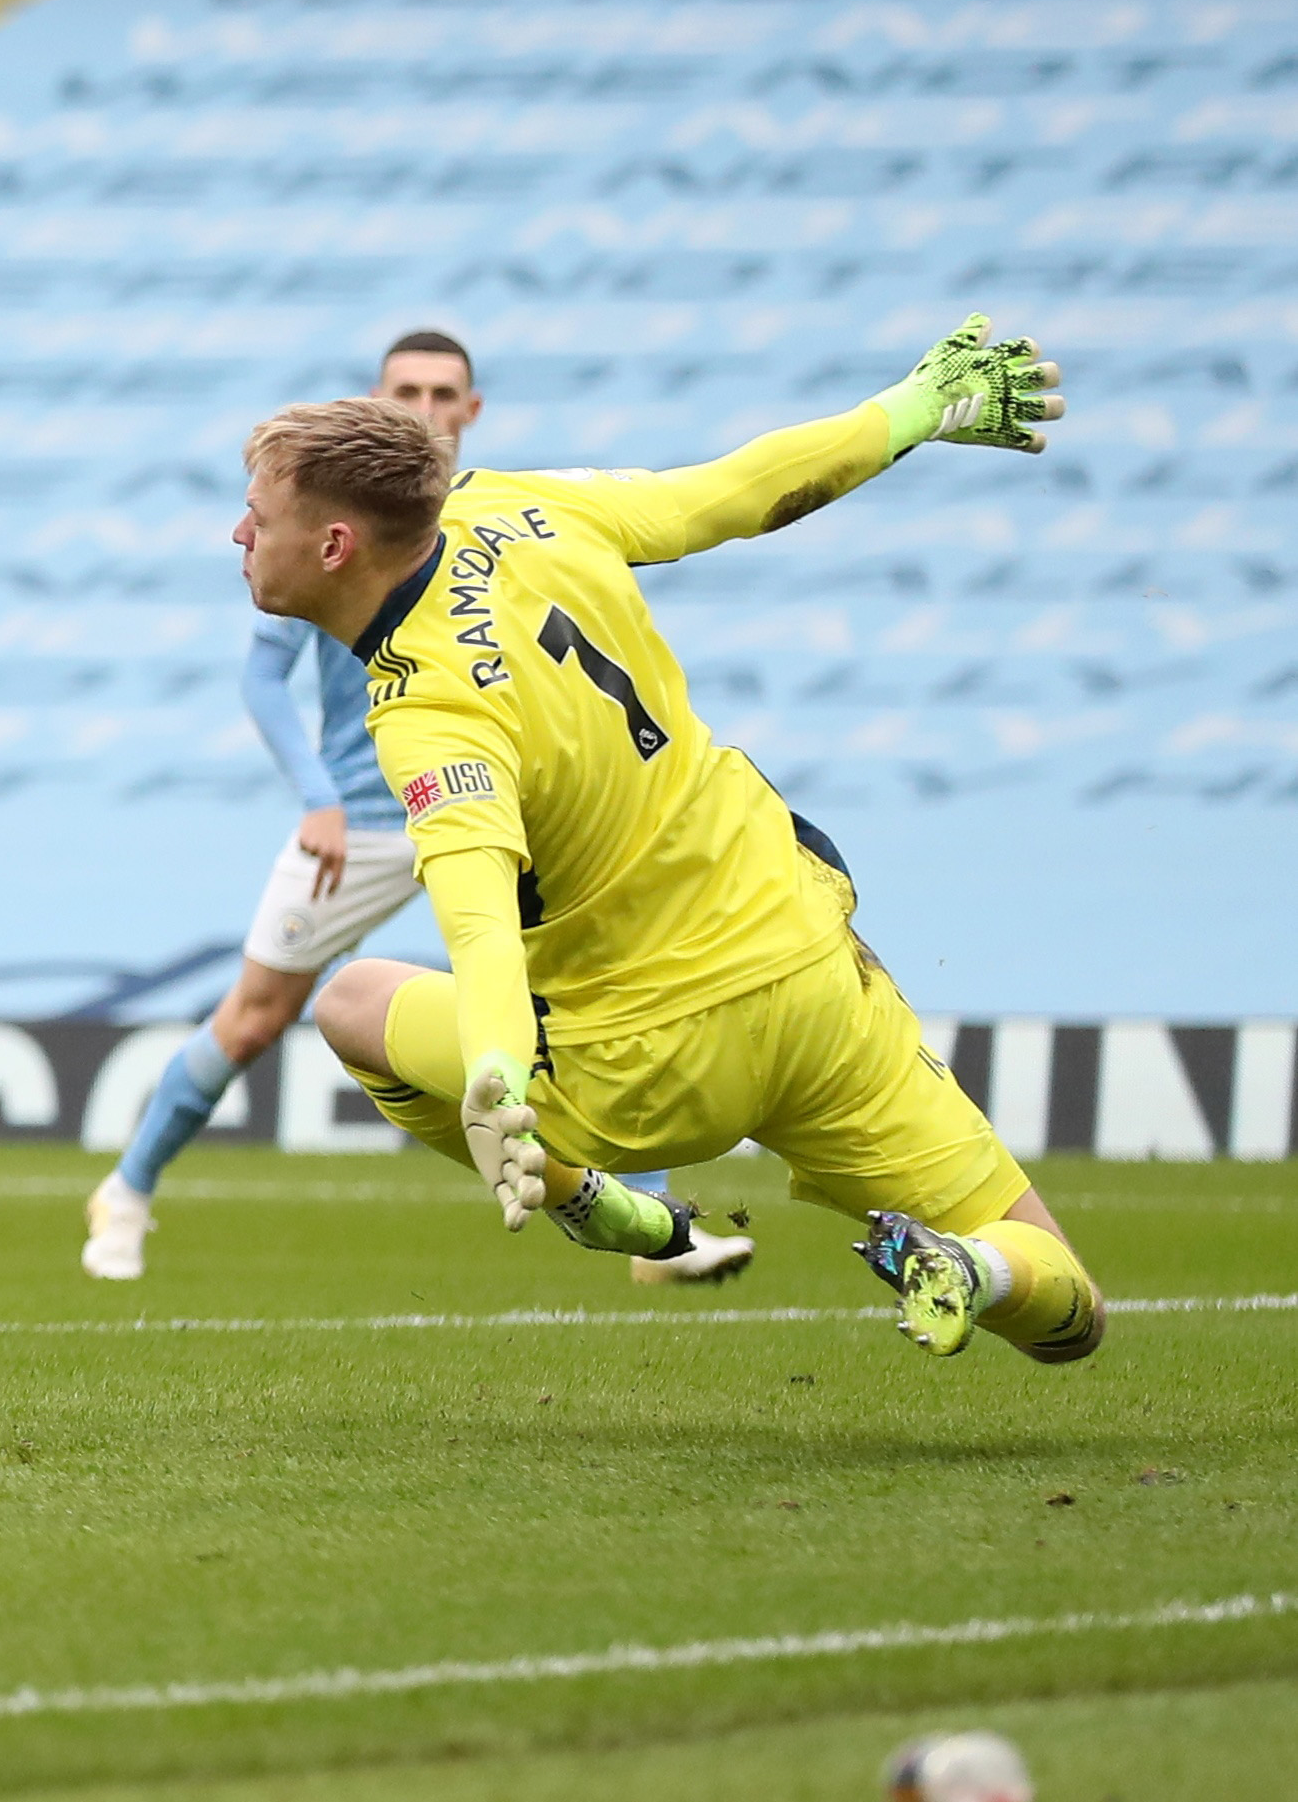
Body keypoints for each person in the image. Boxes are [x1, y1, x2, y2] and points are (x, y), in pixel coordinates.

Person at [238, 318, 1102, 1361]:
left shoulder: (427, 708)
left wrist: (502, 1080)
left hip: (647, 1064)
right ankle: (975, 1269)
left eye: (256, 518)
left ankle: (589, 1204)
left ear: (333, 546)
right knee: (1066, 1317)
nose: (237, 537)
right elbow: (733, 493)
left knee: (348, 1002)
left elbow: (477, 927)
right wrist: (912, 409)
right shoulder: (519, 507)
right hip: (811, 974)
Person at [87, 333, 749, 1287]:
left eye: (444, 392)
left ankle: (660, 1229)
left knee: (593, 985)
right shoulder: (330, 527)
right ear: (378, 395)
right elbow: (263, 678)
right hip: (361, 817)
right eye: (406, 388)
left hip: (488, 814)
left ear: (471, 411)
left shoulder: (492, 520)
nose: (425, 405)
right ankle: (126, 1189)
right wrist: (315, 797)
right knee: (254, 1016)